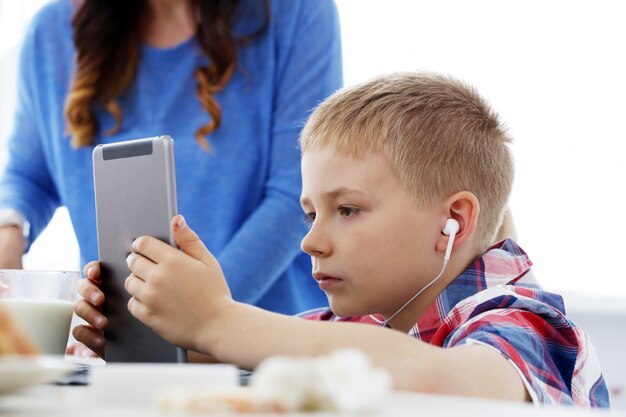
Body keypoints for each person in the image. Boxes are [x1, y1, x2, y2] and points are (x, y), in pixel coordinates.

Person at [74, 72, 609, 406]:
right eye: (310, 214)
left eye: (347, 209)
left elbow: (449, 385)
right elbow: (259, 352)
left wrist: (219, 319)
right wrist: (154, 329)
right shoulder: (353, 328)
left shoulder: (527, 324)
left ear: (455, 221)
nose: (310, 242)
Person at [0, 0, 342, 317]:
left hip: (265, 338)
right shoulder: (52, 32)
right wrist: (10, 227)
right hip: (129, 335)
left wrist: (199, 317)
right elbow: (30, 176)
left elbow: (295, 187)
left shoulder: (297, 11)